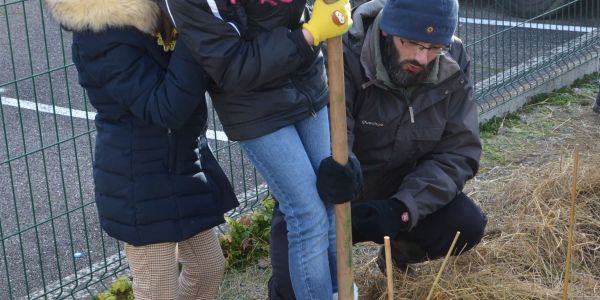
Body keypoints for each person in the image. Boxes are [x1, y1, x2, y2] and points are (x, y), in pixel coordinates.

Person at [269, 0, 488, 297]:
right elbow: (329, 140)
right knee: (294, 287)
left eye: (434, 47)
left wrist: (402, 209)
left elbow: (458, 151)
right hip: (331, 198)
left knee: (465, 224)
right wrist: (340, 192)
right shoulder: (341, 54)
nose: (423, 58)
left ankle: (396, 254)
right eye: (411, 43)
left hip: (397, 192)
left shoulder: (452, 59)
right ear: (387, 30)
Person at [160, 0, 355, 298]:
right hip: (254, 107)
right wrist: (310, 34)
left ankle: (340, 293)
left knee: (331, 199)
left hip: (305, 81)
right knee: (308, 214)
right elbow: (231, 65)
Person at [45, 0, 239, 298]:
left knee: (207, 268)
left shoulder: (157, 11)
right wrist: (195, 29)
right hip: (140, 179)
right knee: (158, 289)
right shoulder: (100, 33)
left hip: (184, 162)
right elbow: (164, 108)